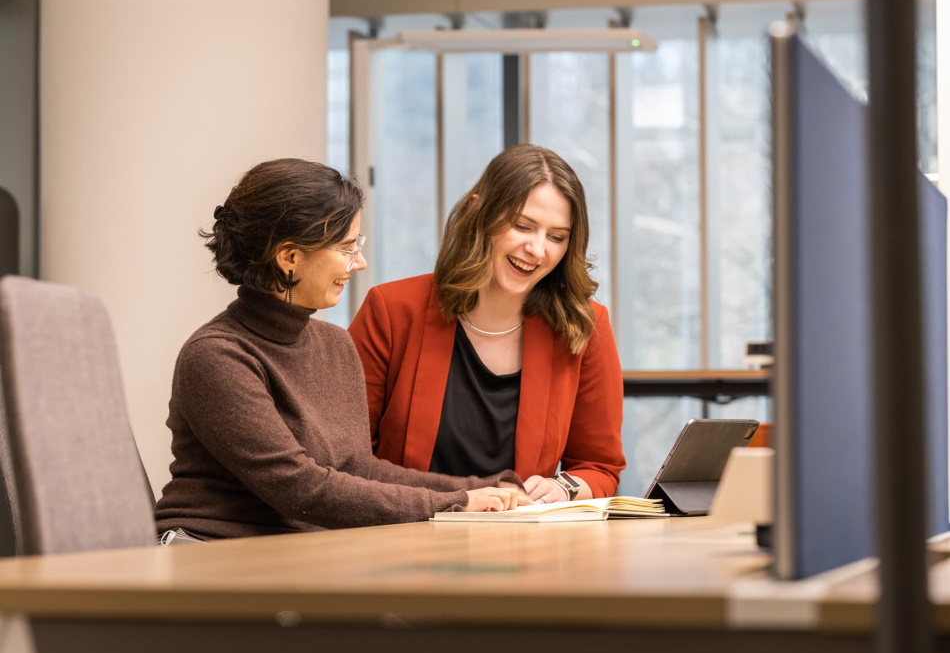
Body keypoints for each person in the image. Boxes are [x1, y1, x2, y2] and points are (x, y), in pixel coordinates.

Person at [154, 158, 525, 541]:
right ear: (290, 258)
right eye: (347, 247)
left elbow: (360, 469)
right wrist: (457, 503)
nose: (359, 262)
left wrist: (490, 487)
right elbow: (301, 489)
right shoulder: (217, 356)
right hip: (210, 550)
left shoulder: (335, 344)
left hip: (297, 551)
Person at [349, 144, 625, 504]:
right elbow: (348, 458)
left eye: (557, 237)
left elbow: (599, 466)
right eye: (523, 226)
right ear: (480, 212)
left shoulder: (585, 324)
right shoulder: (391, 310)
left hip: (521, 546)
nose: (538, 250)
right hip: (405, 533)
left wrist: (565, 486)